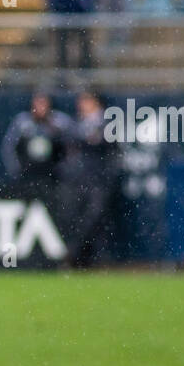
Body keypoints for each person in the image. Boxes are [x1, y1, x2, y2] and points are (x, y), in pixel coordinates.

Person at [60, 89, 120, 267]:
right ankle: (79, 258)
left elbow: (110, 150)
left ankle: (85, 256)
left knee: (94, 219)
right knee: (75, 218)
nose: (81, 105)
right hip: (78, 180)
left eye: (86, 101)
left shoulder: (107, 124)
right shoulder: (77, 123)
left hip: (98, 180)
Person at [1, 89, 75, 184]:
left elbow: (72, 146)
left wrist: (65, 171)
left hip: (53, 175)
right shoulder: (22, 122)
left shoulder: (60, 122)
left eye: (44, 104)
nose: (40, 108)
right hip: (27, 174)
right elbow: (9, 147)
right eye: (37, 104)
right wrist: (16, 170)